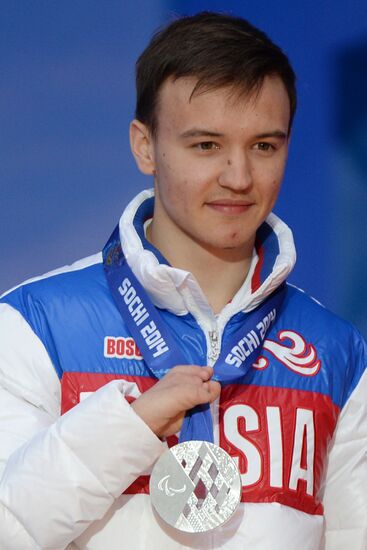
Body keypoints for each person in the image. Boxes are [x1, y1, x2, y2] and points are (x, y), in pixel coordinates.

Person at [0, 11, 366, 550]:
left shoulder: (338, 350)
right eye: (206, 146)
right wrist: (129, 427)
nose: (239, 177)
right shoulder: (36, 324)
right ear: (144, 146)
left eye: (264, 146)